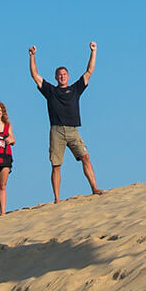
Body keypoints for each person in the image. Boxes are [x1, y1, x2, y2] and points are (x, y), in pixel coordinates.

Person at [29, 42, 105, 202]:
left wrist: (93, 51)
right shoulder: (51, 91)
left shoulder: (76, 89)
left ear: (68, 76)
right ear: (56, 77)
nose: (62, 76)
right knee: (56, 165)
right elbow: (35, 75)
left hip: (73, 130)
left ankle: (94, 188)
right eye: (59, 74)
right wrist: (32, 56)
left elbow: (89, 71)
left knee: (86, 157)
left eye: (64, 74)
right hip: (57, 131)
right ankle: (57, 198)